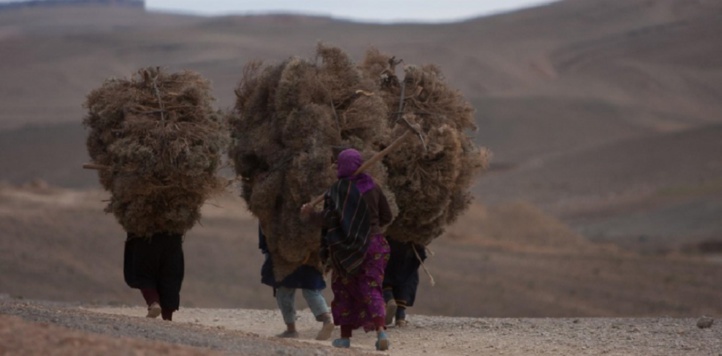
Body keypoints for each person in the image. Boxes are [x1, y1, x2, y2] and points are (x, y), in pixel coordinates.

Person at [301, 148, 393, 351]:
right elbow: (387, 216)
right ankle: (381, 332)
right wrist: (371, 228)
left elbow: (329, 219)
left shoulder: (337, 191)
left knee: (344, 290)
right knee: (372, 288)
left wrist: (310, 213)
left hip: (345, 251)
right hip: (375, 246)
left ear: (341, 166)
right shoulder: (373, 186)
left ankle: (345, 337)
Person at [258, 225, 335, 340]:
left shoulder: (278, 208)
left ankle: (291, 329)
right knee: (312, 290)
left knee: (284, 290)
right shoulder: (314, 209)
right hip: (311, 253)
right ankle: (326, 319)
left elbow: (266, 226)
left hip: (284, 252)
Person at [123, 231, 184, 321]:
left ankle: (153, 302)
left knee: (144, 274)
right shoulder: (175, 221)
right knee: (170, 277)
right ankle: (167, 318)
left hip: (145, 235)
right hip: (172, 237)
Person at [383, 237, 427, 327]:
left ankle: (388, 298)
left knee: (384, 271)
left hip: (388, 239)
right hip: (412, 240)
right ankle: (400, 316)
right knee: (408, 273)